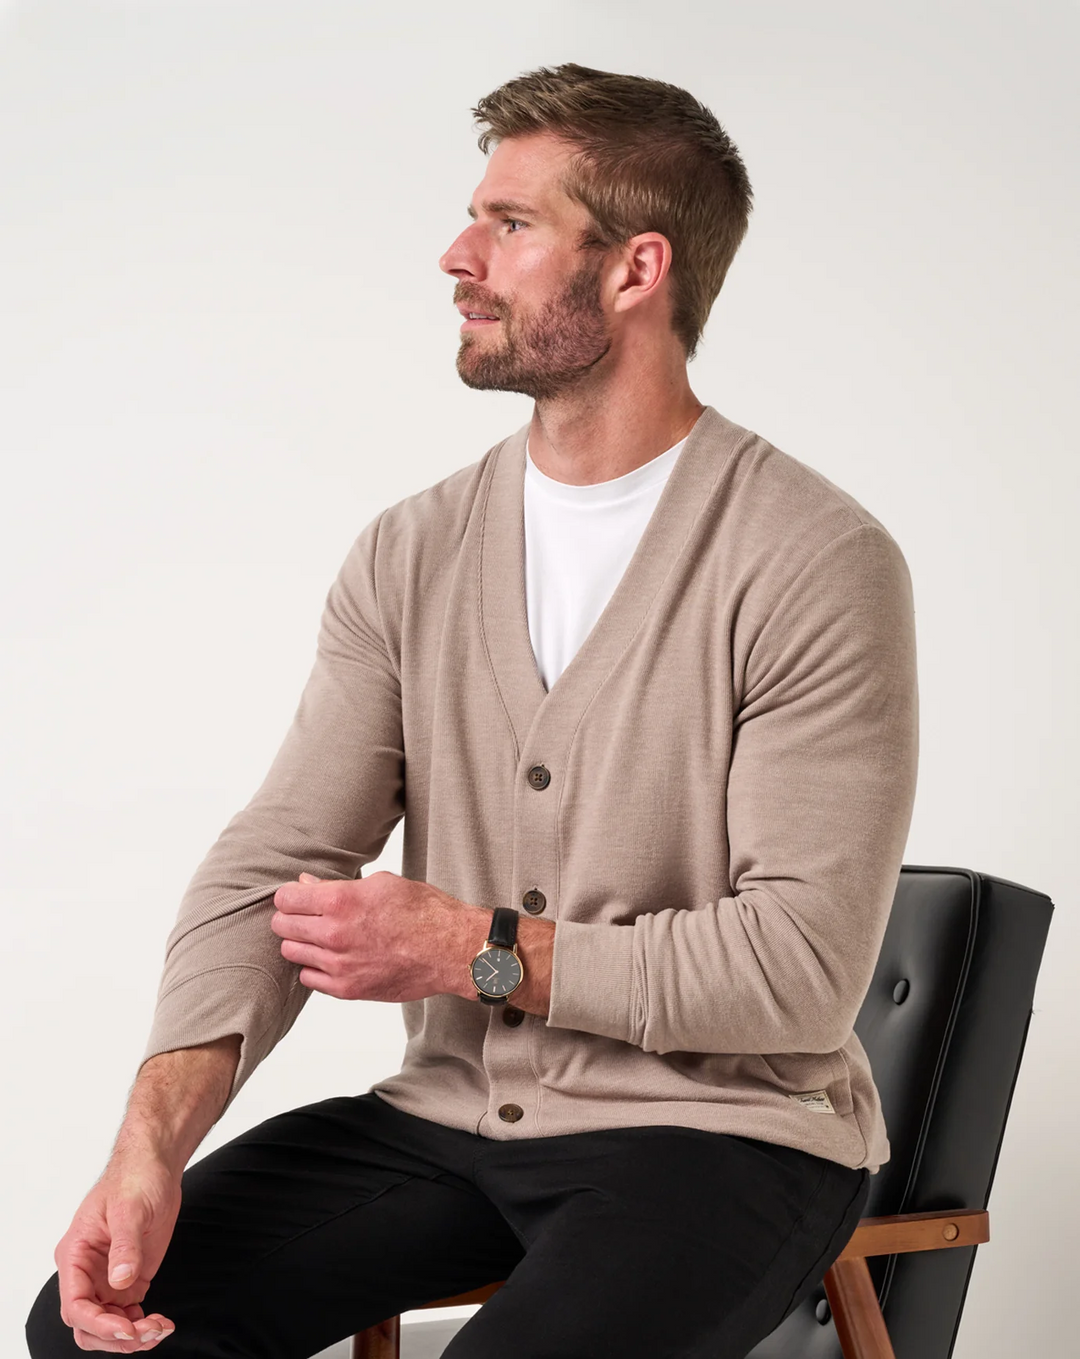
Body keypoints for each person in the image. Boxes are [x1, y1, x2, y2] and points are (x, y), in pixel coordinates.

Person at [26, 62, 918, 1358]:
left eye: (510, 224)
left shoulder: (813, 559)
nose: (458, 254)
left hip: (727, 1133)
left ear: (634, 271)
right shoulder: (411, 551)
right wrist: (148, 1144)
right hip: (453, 1116)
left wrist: (475, 951)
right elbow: (275, 863)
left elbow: (798, 971)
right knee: (90, 1327)